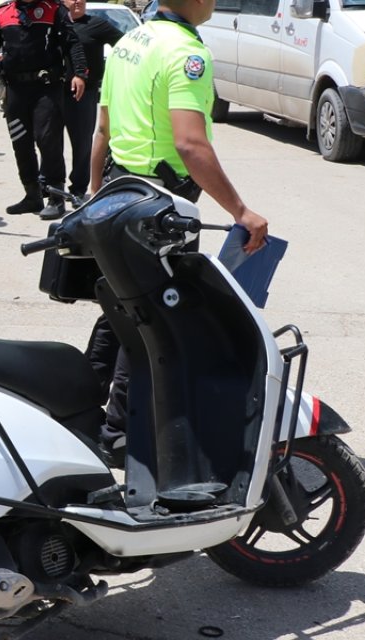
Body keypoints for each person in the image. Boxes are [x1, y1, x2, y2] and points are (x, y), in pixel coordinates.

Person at [87, 0, 268, 458]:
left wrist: (93, 194)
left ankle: (83, 412)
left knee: (119, 306)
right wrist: (240, 211)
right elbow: (189, 142)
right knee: (152, 318)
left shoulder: (131, 40)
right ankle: (118, 434)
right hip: (159, 209)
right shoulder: (187, 54)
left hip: (118, 191)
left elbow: (102, 130)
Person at [0, 0, 87, 220]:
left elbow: (72, 42)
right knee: (20, 142)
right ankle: (32, 195)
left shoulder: (54, 9)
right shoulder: (3, 12)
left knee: (47, 139)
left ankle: (56, 197)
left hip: (46, 88)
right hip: (15, 90)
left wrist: (79, 73)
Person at [59, 0, 122, 201]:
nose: (78, 1)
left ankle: (78, 189)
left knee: (82, 143)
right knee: (49, 141)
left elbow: (125, 46)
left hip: (84, 93)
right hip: (53, 90)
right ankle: (52, 187)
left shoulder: (96, 24)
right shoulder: (53, 24)